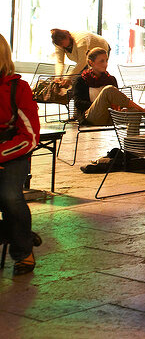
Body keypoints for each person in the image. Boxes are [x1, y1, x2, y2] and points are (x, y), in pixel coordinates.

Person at [0, 33, 41, 275]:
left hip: (13, 151)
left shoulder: (18, 88)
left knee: (9, 196)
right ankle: (14, 232)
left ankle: (22, 250)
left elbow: (30, 137)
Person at [70, 47, 145, 126]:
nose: (105, 64)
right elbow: (78, 103)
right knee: (108, 90)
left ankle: (132, 137)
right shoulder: (81, 80)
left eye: (106, 61)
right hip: (91, 117)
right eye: (101, 61)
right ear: (91, 63)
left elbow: (118, 99)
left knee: (134, 112)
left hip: (111, 115)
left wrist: (120, 108)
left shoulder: (111, 79)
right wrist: (101, 104)